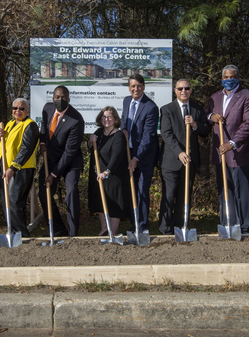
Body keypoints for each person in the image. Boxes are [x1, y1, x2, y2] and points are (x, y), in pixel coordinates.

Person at [206, 65, 249, 234]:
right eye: (226, 77)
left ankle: (244, 227)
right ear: (222, 79)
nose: (229, 80)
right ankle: (228, 223)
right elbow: (206, 114)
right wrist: (210, 116)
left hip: (239, 152)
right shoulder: (215, 97)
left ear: (238, 77)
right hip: (220, 153)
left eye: (232, 77)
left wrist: (233, 143)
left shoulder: (248, 96)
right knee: (224, 190)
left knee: (241, 191)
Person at [159, 79, 210, 234]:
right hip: (171, 160)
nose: (183, 91)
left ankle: (180, 226)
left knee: (184, 195)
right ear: (175, 91)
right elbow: (166, 134)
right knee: (169, 194)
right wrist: (179, 152)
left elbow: (206, 131)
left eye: (186, 88)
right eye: (180, 88)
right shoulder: (167, 109)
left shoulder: (197, 109)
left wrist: (195, 125)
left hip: (190, 161)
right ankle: (165, 229)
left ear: (191, 90)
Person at [38, 86, 85, 237]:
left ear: (68, 99)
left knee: (71, 192)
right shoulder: (47, 109)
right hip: (51, 158)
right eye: (57, 97)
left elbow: (69, 151)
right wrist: (43, 143)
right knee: (43, 192)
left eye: (63, 98)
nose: (60, 100)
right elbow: (44, 129)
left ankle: (73, 233)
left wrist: (53, 174)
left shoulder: (76, 119)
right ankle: (59, 229)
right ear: (53, 98)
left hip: (70, 162)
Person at [120, 74, 159, 233]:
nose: (135, 89)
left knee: (142, 191)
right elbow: (124, 118)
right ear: (129, 87)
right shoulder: (126, 101)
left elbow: (148, 136)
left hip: (144, 158)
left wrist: (136, 158)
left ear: (144, 86)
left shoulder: (151, 107)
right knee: (131, 189)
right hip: (128, 153)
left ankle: (142, 227)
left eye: (138, 86)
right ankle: (134, 223)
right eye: (132, 86)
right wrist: (123, 129)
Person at [0, 98, 39, 238]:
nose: (17, 111)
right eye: (15, 108)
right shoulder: (9, 124)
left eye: (21, 108)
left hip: (21, 169)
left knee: (14, 202)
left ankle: (21, 234)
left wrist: (13, 168)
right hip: (5, 169)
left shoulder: (30, 125)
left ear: (27, 110)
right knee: (6, 202)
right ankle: (12, 232)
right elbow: (5, 146)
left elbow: (26, 149)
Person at [88, 107, 131, 236]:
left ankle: (112, 232)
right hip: (99, 176)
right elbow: (90, 147)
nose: (106, 119)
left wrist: (106, 172)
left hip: (113, 176)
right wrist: (90, 141)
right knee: (101, 203)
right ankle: (103, 230)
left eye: (109, 117)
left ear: (115, 119)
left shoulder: (119, 135)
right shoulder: (99, 132)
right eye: (104, 117)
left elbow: (116, 157)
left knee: (113, 206)